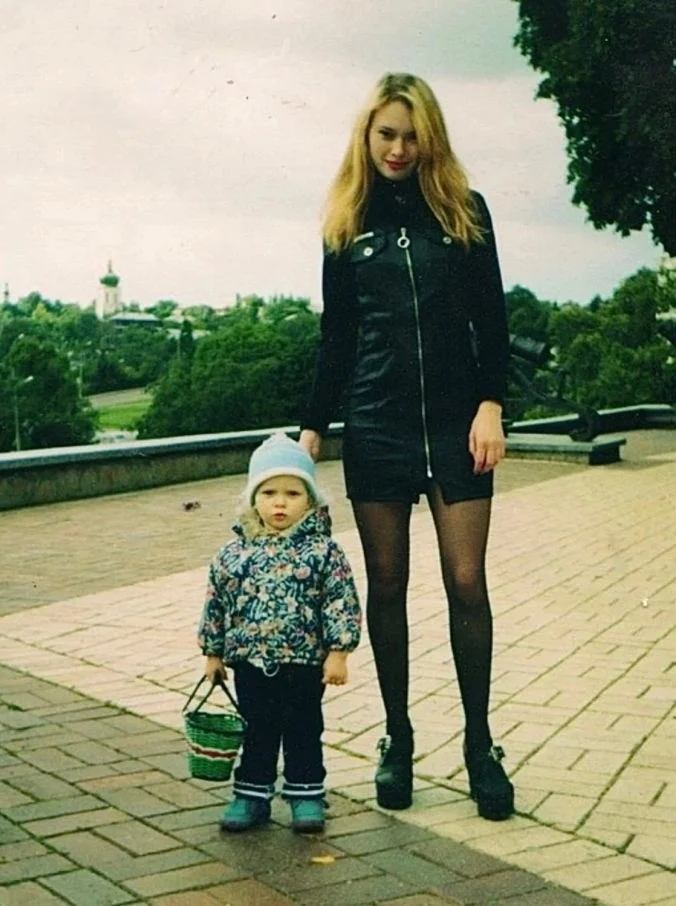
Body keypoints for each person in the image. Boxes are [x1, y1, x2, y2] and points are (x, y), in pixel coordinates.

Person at [299, 73, 514, 821]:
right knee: (385, 586)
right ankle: (398, 737)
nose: (398, 147)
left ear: (431, 139)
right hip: (377, 425)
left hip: (458, 427)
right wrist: (312, 428)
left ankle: (480, 745)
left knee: (466, 582)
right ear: (367, 137)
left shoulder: (464, 211)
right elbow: (336, 335)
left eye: (411, 135)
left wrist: (492, 405)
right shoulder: (345, 221)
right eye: (386, 133)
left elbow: (492, 317)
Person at [197, 432, 361, 833]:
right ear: (253, 498)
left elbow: (340, 600)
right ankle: (251, 796)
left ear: (310, 500)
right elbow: (216, 604)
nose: (280, 503)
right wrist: (213, 653)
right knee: (258, 730)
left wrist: (338, 652)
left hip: (305, 662)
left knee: (304, 728)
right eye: (269, 492)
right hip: (250, 663)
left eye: (292, 493)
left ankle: (306, 795)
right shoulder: (233, 554)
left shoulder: (323, 552)